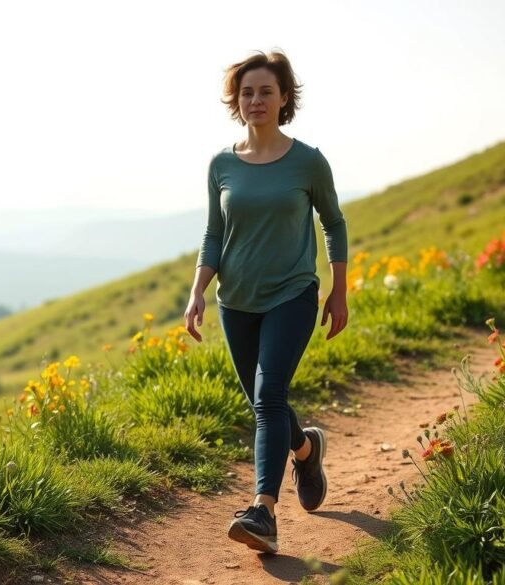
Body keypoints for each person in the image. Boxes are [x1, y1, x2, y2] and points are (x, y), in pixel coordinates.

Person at [182, 49, 349, 555]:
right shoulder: (221, 164)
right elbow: (215, 234)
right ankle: (305, 447)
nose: (255, 99)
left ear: (283, 99)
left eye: (266, 91)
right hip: (236, 301)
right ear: (237, 99)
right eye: (247, 91)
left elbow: (333, 223)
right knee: (263, 401)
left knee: (268, 396)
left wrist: (339, 290)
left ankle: (263, 512)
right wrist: (197, 291)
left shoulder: (308, 161)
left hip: (293, 293)